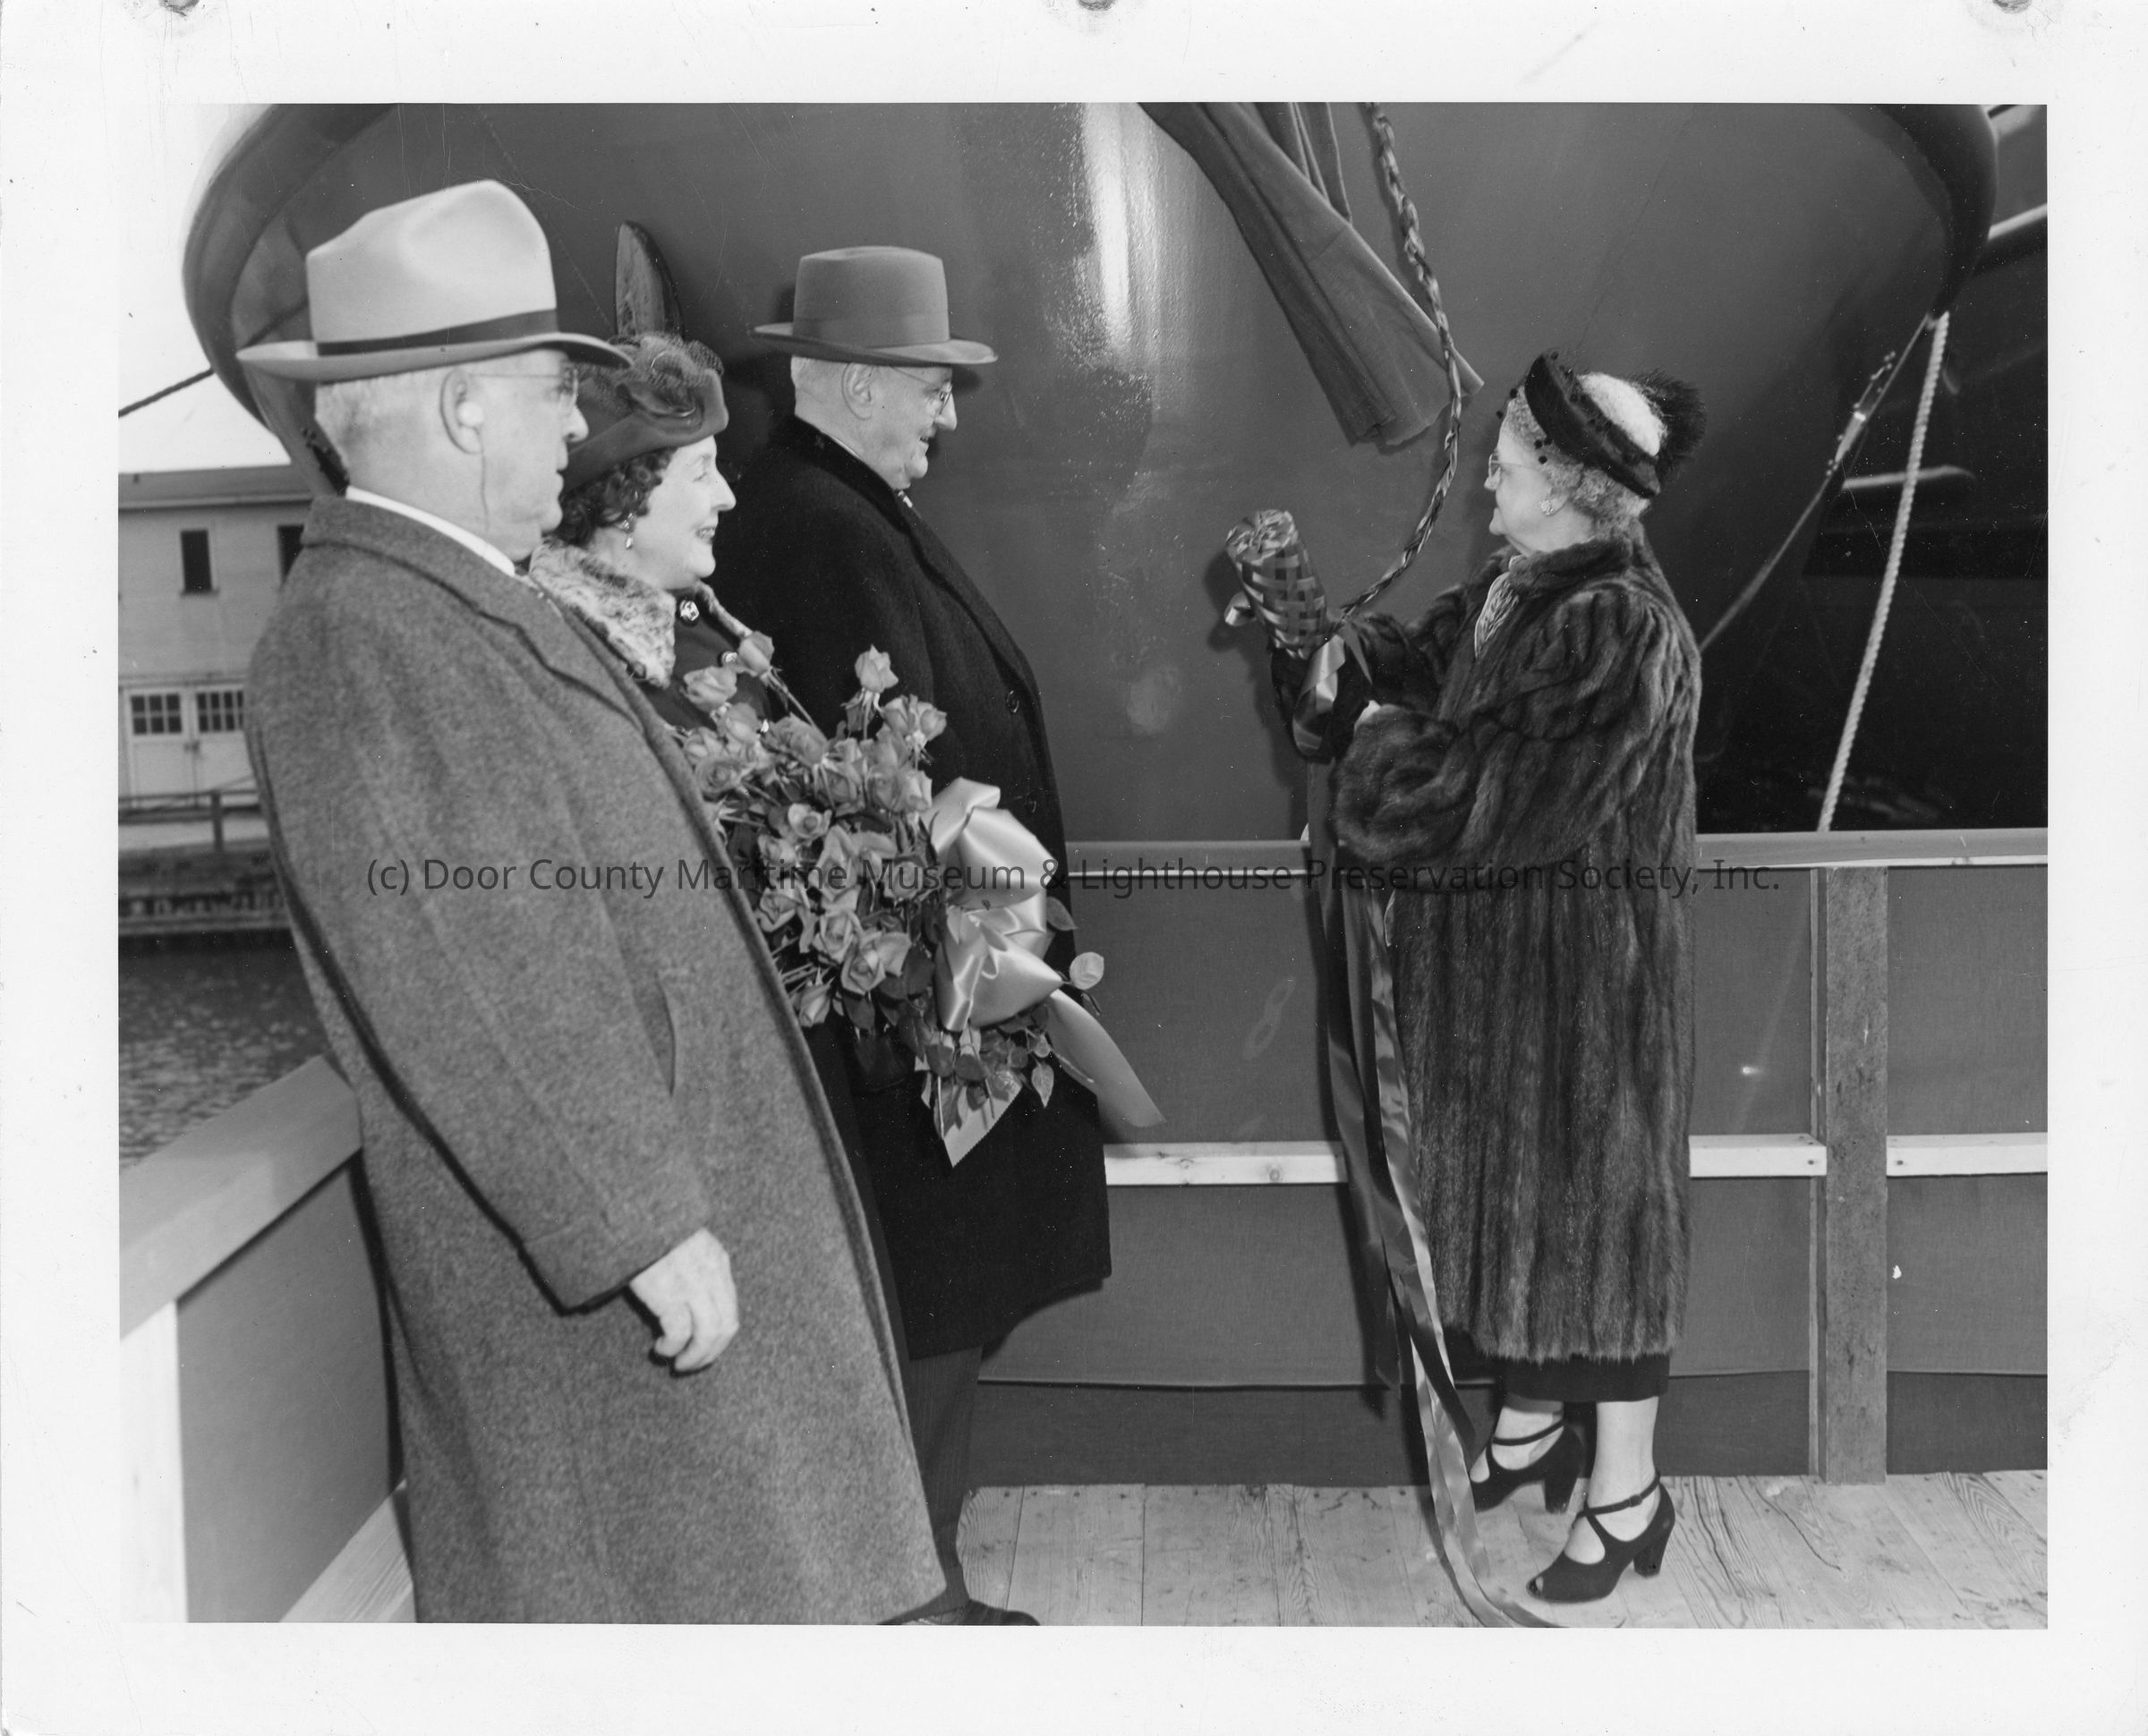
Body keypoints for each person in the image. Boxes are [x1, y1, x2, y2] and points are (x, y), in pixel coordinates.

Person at [240, 182, 941, 1622]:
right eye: (553, 392)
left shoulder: (449, 600)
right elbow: (465, 960)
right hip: (611, 1291)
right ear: (460, 412)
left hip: (655, 1242)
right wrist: (636, 1223)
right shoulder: (364, 634)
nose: (579, 427)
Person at [717, 246, 1111, 1625]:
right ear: (849, 383)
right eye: (929, 386)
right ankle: (906, 1598)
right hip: (918, 1004)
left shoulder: (835, 506)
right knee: (932, 1294)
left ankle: (918, 1579)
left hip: (948, 978)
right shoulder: (822, 527)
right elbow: (876, 789)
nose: (947, 414)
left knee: (947, 1294)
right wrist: (987, 988)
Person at [1287, 352, 1706, 1604]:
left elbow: (1497, 797)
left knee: (1599, 1237)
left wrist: (1374, 747)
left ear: (1573, 488)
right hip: (1517, 979)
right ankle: (1530, 1426)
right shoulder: (1524, 591)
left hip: (1587, 995)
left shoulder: (1620, 627)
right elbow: (1425, 666)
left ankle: (1628, 1496)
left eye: (1511, 463)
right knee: (1535, 1219)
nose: (1487, 481)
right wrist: (1336, 658)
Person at [527, 329, 910, 1366]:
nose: (728, 497)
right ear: (623, 500)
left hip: (779, 1087)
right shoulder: (573, 665)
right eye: (701, 472)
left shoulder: (695, 631)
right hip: (703, 1120)